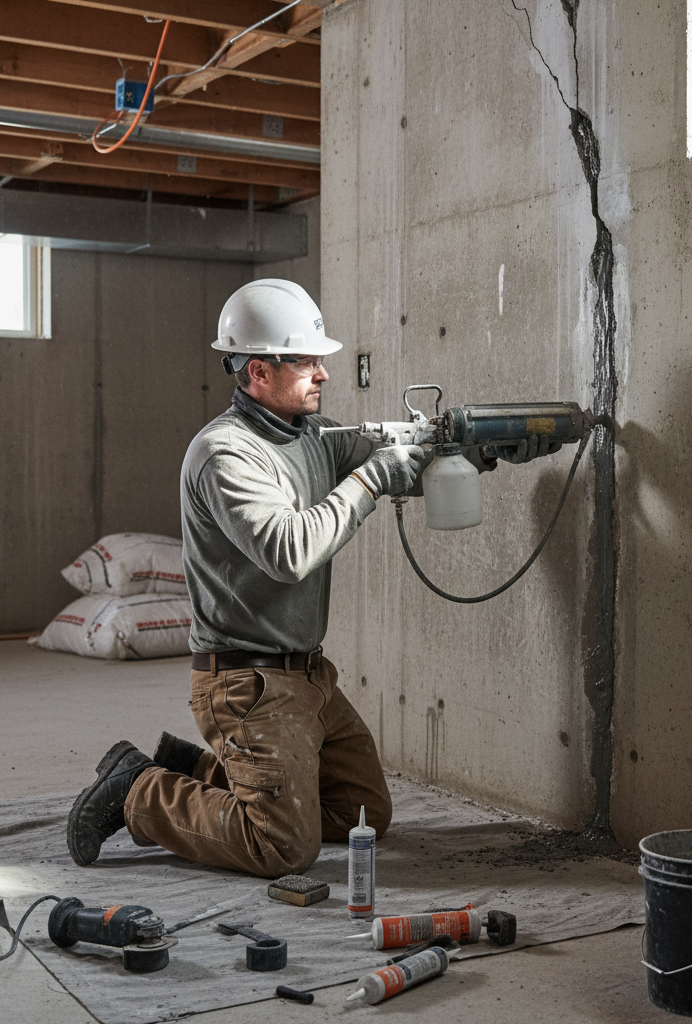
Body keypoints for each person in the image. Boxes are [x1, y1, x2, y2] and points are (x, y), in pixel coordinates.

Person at [65, 279, 556, 878]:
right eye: (304, 360)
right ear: (257, 371)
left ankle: (195, 772)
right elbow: (289, 551)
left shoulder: (312, 437)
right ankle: (139, 792)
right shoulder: (226, 455)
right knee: (281, 848)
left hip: (306, 675)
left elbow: (400, 457)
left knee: (361, 816)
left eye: (320, 360)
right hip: (244, 682)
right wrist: (372, 479)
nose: (323, 374)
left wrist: (481, 450)